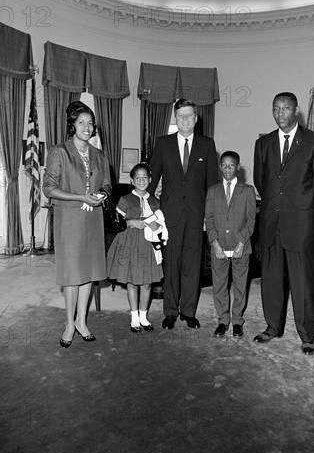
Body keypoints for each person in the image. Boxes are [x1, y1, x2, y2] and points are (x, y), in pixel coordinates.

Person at [253, 92, 314, 355]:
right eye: (275, 108)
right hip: (271, 222)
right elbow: (260, 181)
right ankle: (272, 327)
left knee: (303, 283)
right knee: (272, 279)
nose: (280, 113)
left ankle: (307, 335)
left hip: (301, 223)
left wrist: (303, 205)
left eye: (285, 108)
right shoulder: (263, 143)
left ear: (296, 111)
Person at [43, 101, 112, 348]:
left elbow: (107, 184)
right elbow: (48, 189)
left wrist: (101, 195)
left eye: (90, 123)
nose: (87, 127)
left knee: (89, 272)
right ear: (72, 126)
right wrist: (81, 197)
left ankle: (82, 321)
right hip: (69, 219)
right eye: (81, 122)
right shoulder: (59, 152)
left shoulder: (100, 155)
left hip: (93, 219)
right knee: (72, 274)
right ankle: (69, 323)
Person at [149, 98, 219, 330]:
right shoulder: (163, 143)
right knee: (171, 265)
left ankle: (188, 312)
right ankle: (170, 311)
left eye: (189, 115)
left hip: (196, 216)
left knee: (192, 266)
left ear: (196, 118)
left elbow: (212, 186)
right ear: (174, 118)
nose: (185, 119)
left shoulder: (207, 145)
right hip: (170, 216)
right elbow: (151, 181)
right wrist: (149, 213)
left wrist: (209, 219)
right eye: (181, 116)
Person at [107, 163, 167, 333]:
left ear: (150, 179)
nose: (141, 180)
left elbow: (162, 224)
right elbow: (116, 223)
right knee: (133, 281)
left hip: (149, 244)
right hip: (130, 242)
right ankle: (134, 318)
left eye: (145, 177)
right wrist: (131, 222)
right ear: (132, 180)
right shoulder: (125, 199)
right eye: (138, 178)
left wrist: (158, 226)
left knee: (147, 283)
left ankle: (143, 316)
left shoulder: (155, 201)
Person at [205, 151, 256, 339]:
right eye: (224, 165)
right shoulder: (212, 191)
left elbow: (251, 220)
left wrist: (242, 242)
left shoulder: (248, 191)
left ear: (238, 167)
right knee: (219, 285)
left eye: (231, 165)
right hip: (219, 245)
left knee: (240, 285)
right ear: (220, 167)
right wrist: (214, 243)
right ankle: (222, 320)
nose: (227, 169)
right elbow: (208, 220)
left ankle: (237, 321)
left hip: (240, 246)